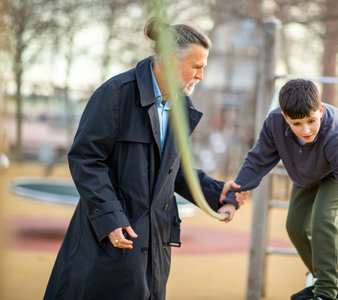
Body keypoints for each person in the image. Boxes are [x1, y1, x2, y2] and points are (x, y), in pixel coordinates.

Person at [44, 17, 247, 300]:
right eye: (196, 67)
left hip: (155, 246)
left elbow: (171, 171)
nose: (201, 76)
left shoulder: (181, 106)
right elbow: (86, 159)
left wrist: (216, 191)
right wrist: (111, 218)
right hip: (109, 239)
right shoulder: (115, 94)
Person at [223, 79, 338, 300]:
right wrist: (232, 199)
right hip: (306, 171)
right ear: (284, 117)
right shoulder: (274, 123)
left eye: (311, 120)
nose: (306, 130)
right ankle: (325, 278)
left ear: (320, 110)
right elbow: (256, 160)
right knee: (295, 226)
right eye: (296, 124)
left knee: (322, 217)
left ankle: (327, 292)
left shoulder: (334, 135)